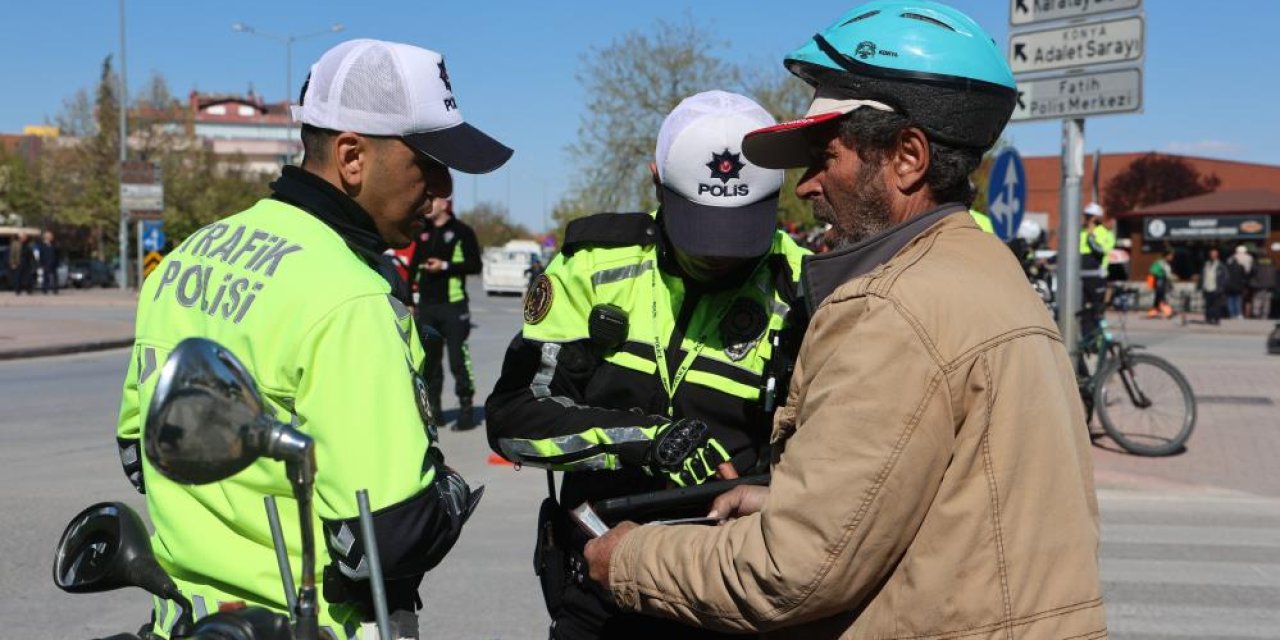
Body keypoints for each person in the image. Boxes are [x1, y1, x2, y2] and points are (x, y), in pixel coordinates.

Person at [582, 3, 1106, 638]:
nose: (804, 186)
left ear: (907, 157)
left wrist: (631, 558)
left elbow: (791, 572)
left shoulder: (892, 309)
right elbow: (955, 499)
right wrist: (793, 502)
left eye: (824, 155)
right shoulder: (985, 272)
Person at [115, 39, 510, 639]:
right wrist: (446, 494)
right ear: (352, 157)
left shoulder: (186, 257)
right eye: (427, 162)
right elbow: (383, 542)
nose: (442, 188)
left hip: (185, 623)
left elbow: (137, 453)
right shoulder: (350, 297)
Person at [485, 90, 810, 640]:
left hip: (732, 591)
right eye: (703, 229)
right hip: (598, 581)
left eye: (741, 229)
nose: (721, 254)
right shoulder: (590, 264)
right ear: (657, 182)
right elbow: (513, 420)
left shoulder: (808, 287)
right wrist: (646, 439)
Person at [408, 197, 482, 430]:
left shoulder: (462, 232)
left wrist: (445, 266)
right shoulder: (423, 231)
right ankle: (435, 411)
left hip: (454, 307)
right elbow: (413, 266)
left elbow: (475, 265)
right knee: (430, 362)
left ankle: (467, 410)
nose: (428, 204)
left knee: (457, 360)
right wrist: (409, 299)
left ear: (445, 204)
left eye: (434, 200)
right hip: (428, 308)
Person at [1080, 201, 1115, 336]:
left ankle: (1101, 339)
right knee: (1083, 311)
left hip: (1096, 277)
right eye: (1085, 216)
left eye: (1089, 216)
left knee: (1097, 311)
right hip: (1081, 278)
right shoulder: (1080, 232)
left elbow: (1100, 251)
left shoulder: (1104, 233)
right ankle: (1086, 338)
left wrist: (1090, 236)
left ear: (1095, 218)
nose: (1085, 219)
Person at [1200, 247, 1228, 325]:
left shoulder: (1220, 265)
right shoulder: (1206, 264)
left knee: (1216, 305)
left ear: (1217, 255)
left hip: (1216, 287)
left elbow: (1225, 277)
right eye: (1211, 254)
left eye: (1214, 254)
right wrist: (1201, 285)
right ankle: (1208, 318)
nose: (1213, 256)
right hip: (1207, 287)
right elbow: (1202, 275)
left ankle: (1216, 319)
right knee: (1208, 305)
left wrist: (1221, 287)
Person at [1225, 245, 1252, 319]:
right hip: (1239, 284)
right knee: (1238, 299)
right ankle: (1238, 313)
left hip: (1230, 284)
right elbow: (1247, 272)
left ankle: (1232, 314)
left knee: (1230, 299)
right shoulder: (1248, 258)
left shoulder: (1230, 259)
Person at [1148, 249, 1175, 319]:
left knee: (1158, 298)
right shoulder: (1160, 263)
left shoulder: (1167, 264)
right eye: (1170, 255)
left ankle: (1152, 312)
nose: (1172, 257)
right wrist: (1161, 273)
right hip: (1160, 281)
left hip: (1164, 282)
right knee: (1162, 298)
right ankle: (1168, 312)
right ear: (1166, 256)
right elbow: (1152, 271)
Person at [36, 230, 60, 294]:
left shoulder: (54, 245)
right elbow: (40, 255)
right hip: (45, 264)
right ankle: (45, 290)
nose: (49, 237)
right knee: (45, 278)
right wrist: (41, 263)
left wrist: (57, 263)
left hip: (54, 264)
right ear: (45, 237)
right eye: (48, 236)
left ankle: (55, 290)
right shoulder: (42, 245)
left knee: (55, 278)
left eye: (50, 236)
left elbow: (57, 254)